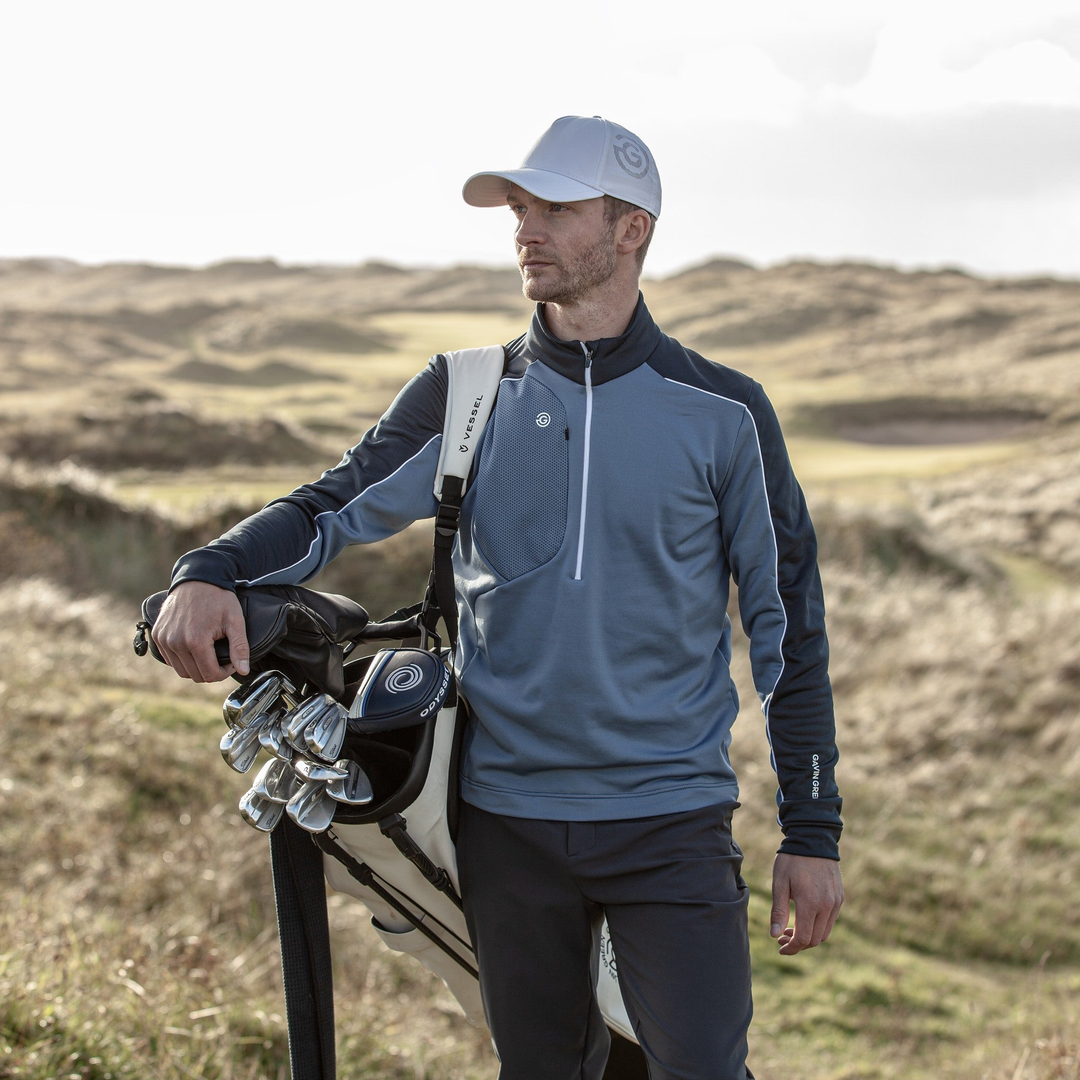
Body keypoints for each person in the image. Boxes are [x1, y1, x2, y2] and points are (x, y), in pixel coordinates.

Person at [152, 115, 843, 1080]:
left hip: (670, 824)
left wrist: (812, 832)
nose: (525, 230)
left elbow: (789, 632)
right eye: (519, 209)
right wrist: (209, 568)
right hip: (506, 825)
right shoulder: (465, 393)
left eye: (554, 209)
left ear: (632, 229)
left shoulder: (726, 413)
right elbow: (330, 507)